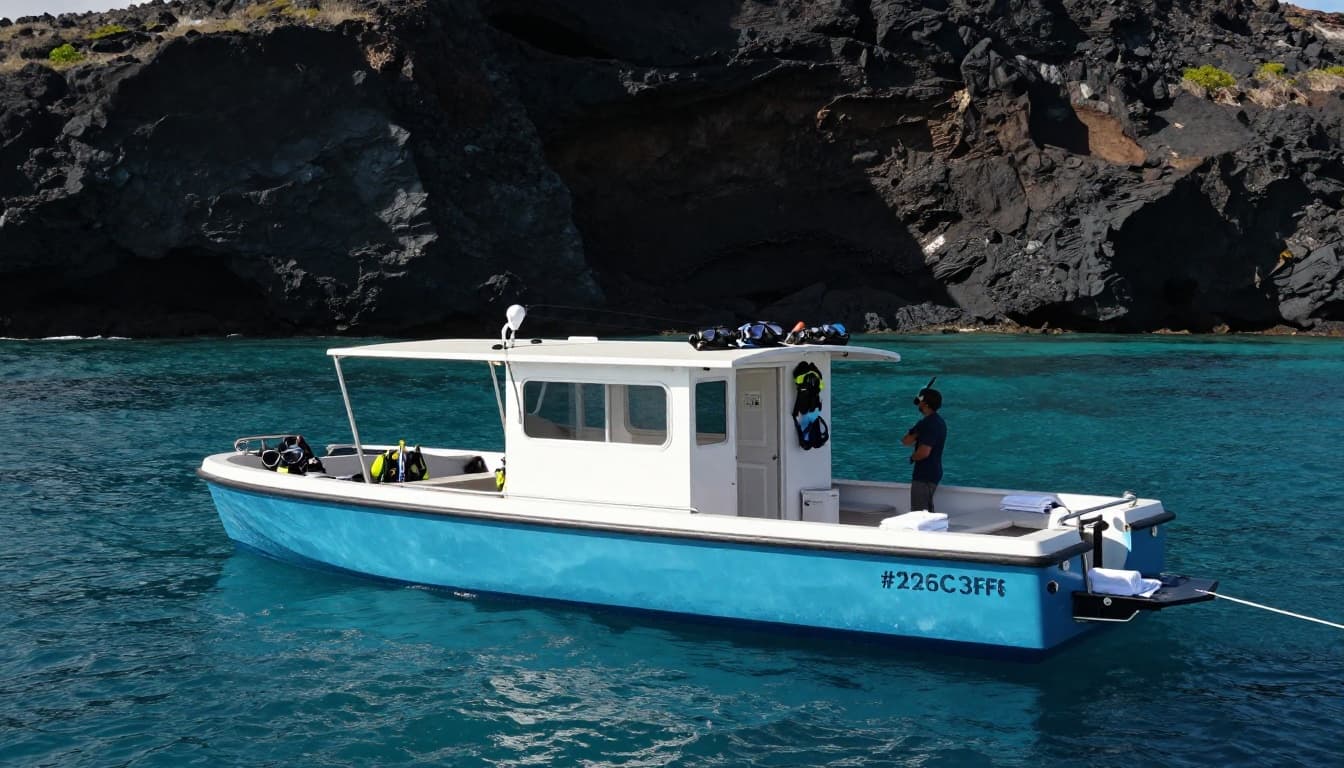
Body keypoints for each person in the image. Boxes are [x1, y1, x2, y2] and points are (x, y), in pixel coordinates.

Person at [900, 387, 946, 513]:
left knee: (919, 513)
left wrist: (913, 457)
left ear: (925, 404)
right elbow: (906, 441)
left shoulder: (931, 424)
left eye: (920, 400)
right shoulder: (932, 422)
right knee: (927, 511)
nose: (918, 402)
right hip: (931, 472)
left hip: (925, 474)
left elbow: (924, 452)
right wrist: (918, 429)